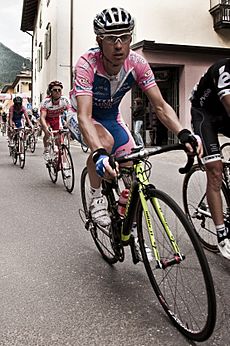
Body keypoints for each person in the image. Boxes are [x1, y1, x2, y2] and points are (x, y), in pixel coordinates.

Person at [71, 7, 202, 259]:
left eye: (125, 37)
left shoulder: (137, 63)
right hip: (84, 117)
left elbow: (161, 106)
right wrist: (98, 153)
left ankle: (127, 221)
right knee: (105, 143)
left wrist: (183, 133)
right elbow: (85, 116)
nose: (119, 45)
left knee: (133, 164)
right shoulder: (87, 64)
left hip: (111, 118)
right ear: (99, 40)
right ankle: (97, 195)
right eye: (111, 38)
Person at [190, 58, 230, 260]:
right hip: (204, 114)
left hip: (224, 116)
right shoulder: (224, 69)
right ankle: (222, 234)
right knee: (215, 170)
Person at [40, 80, 72, 161]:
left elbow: (70, 113)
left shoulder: (64, 100)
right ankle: (46, 150)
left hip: (56, 119)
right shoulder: (46, 102)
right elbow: (42, 117)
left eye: (59, 90)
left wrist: (69, 124)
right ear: (51, 92)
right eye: (55, 90)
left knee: (59, 141)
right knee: (47, 134)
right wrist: (45, 127)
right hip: (47, 119)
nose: (57, 92)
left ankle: (64, 165)